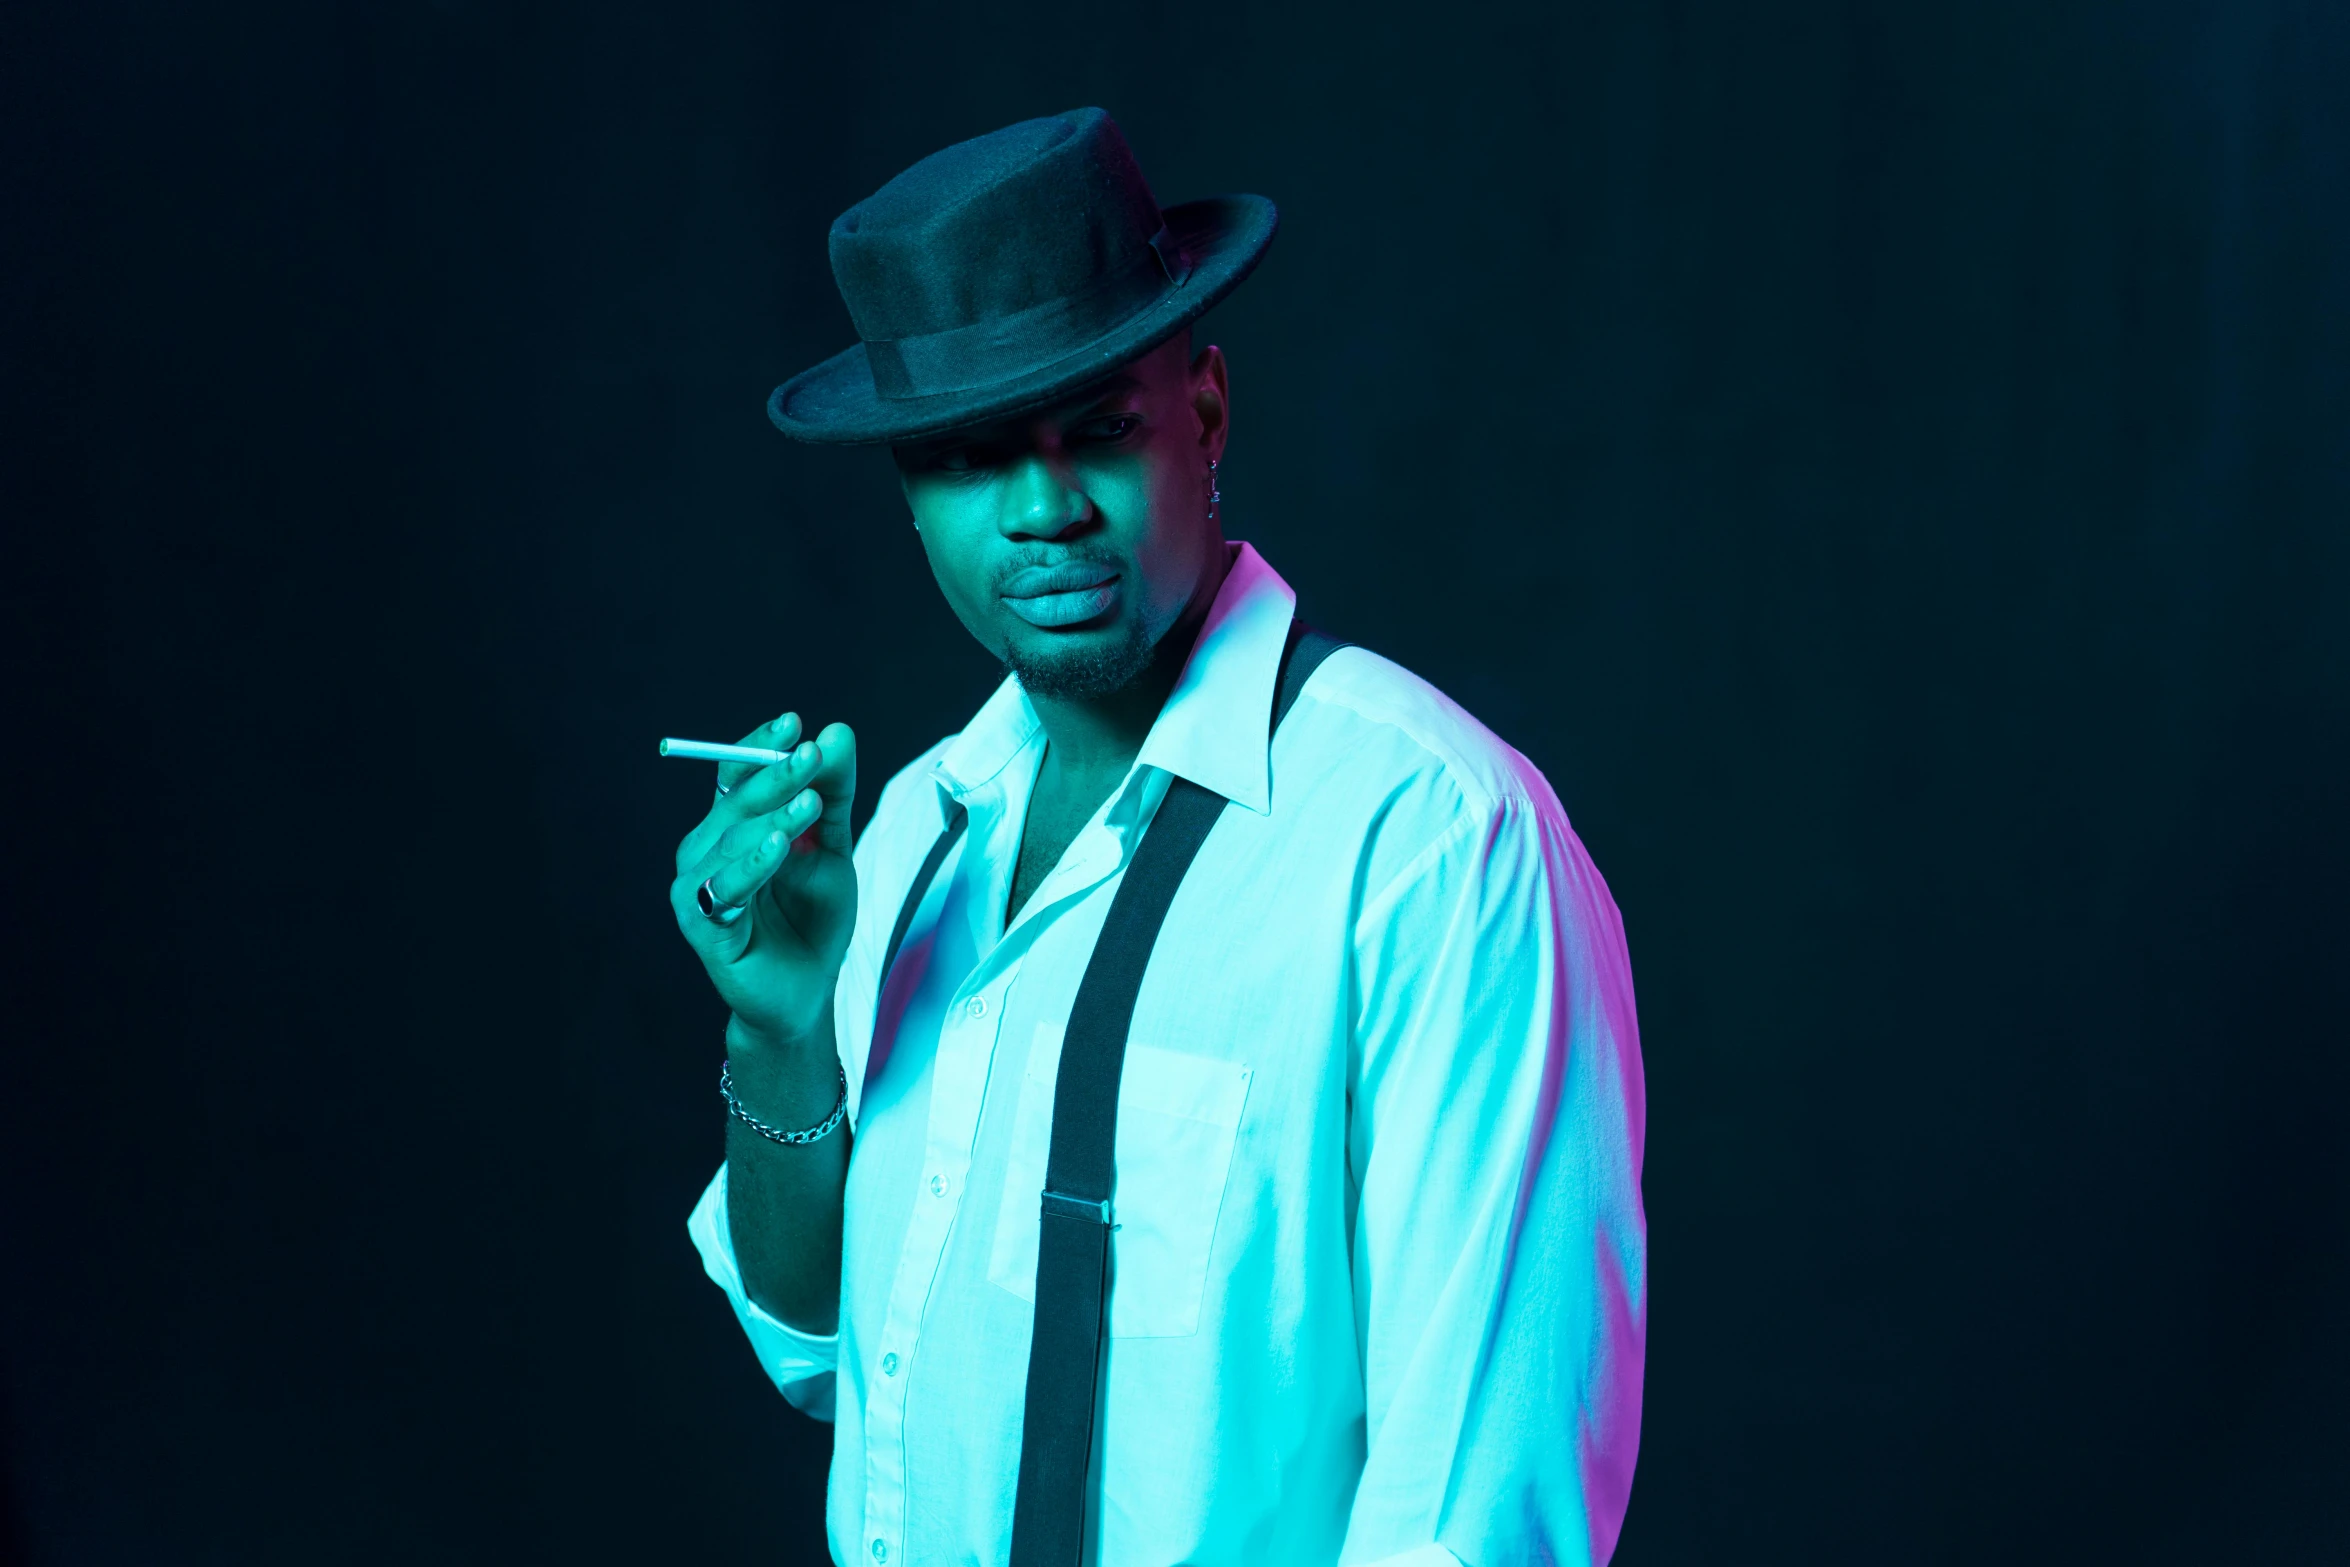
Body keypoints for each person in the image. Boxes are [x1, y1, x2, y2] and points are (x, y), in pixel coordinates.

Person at [672, 107, 1646, 1567]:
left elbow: (1477, 1519)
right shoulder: (917, 832)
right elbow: (815, 1342)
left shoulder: (1430, 845)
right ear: (910, 496)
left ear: (1202, 410)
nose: (1043, 509)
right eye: (970, 454)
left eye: (1099, 428)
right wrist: (778, 1032)